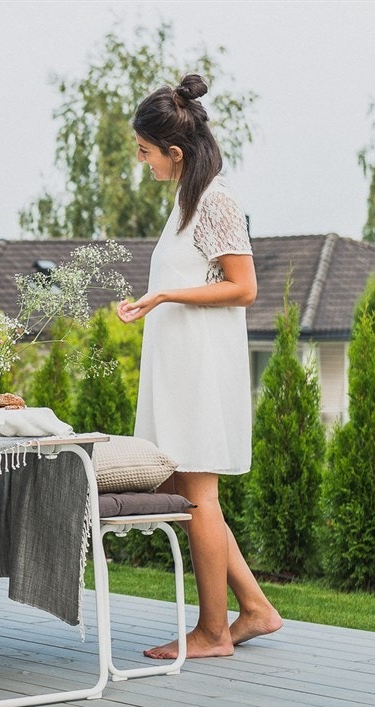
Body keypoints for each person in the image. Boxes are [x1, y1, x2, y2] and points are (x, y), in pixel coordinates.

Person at [117, 74, 283, 659]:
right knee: (181, 488)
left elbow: (243, 287)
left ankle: (213, 632)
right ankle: (256, 609)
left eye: (145, 151)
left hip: (200, 375)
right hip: (180, 367)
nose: (143, 162)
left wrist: (164, 298)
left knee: (196, 496)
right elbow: (192, 277)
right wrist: (150, 299)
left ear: (175, 151)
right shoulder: (190, 201)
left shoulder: (216, 200)